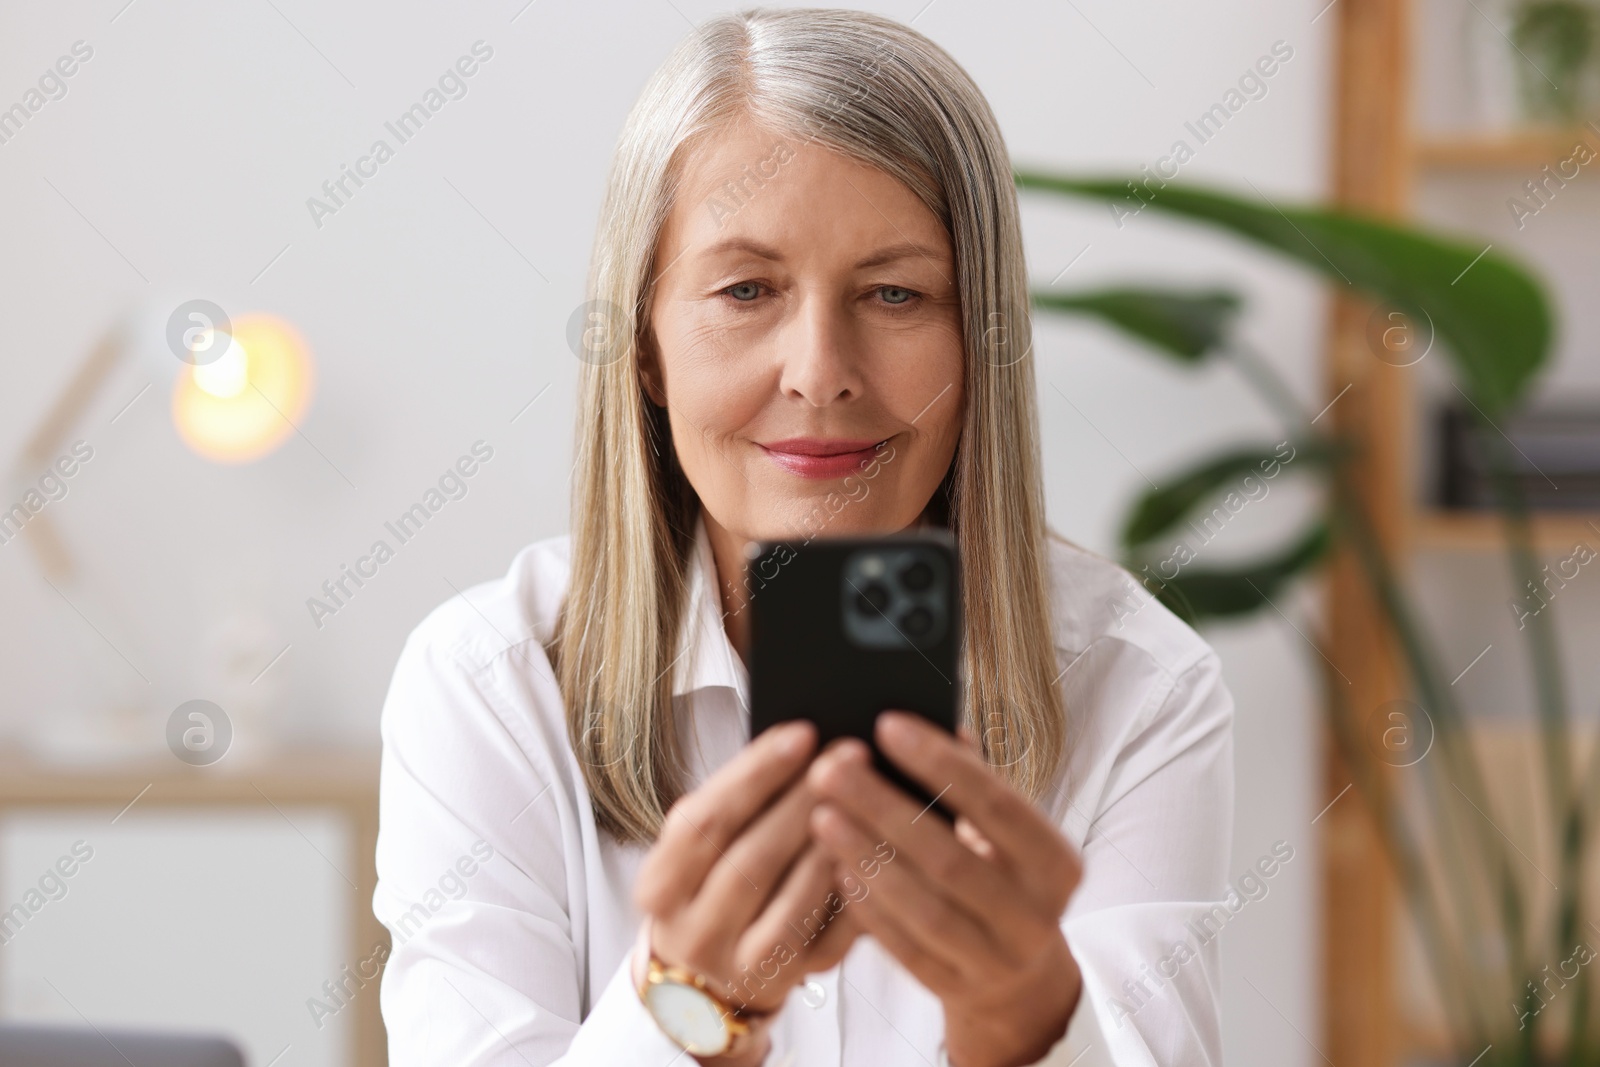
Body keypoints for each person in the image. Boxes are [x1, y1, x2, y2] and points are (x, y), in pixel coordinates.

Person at [373, 8, 1233, 1065]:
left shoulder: (1136, 687)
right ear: (642, 344)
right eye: (745, 289)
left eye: (895, 292)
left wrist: (1025, 1028)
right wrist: (691, 1008)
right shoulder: (489, 685)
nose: (818, 368)